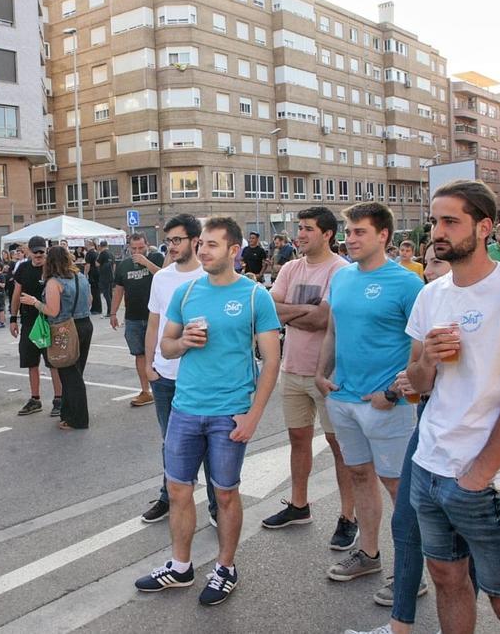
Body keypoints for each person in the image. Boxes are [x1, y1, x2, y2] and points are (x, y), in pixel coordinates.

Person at [405, 179, 500, 634]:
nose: (438, 232)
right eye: (434, 221)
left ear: (484, 227)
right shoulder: (431, 294)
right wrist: (427, 356)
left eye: (450, 221)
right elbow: (416, 385)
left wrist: (479, 475)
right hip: (430, 468)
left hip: (487, 484)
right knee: (447, 581)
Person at [134, 217, 281, 606]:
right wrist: (182, 342)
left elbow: (271, 360)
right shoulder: (187, 292)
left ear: (234, 250)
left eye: (213, 245)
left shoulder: (254, 296)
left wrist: (253, 416)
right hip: (185, 407)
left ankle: (225, 568)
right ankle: (180, 567)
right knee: (178, 489)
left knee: (226, 494)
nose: (203, 251)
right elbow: (165, 347)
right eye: (203, 244)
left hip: (228, 411)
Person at [344, 241, 456, 634]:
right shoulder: (430, 299)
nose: (431, 270)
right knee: (408, 524)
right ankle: (399, 627)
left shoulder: (498, 296)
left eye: (438, 262)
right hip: (428, 423)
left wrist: (392, 394)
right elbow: (418, 378)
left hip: (470, 449)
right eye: (428, 263)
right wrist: (402, 385)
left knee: (464, 563)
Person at [315, 202, 423, 593]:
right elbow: (333, 331)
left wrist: (393, 392)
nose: (350, 238)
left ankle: (411, 574)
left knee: (398, 487)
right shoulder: (342, 278)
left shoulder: (408, 283)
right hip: (342, 398)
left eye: (360, 231)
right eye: (349, 231)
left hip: (384, 404)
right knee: (360, 476)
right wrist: (320, 373)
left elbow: (422, 348)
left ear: (384, 236)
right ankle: (369, 555)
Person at [263, 207, 358, 550]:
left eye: (307, 229)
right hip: (292, 369)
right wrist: (306, 310)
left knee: (340, 449)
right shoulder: (291, 267)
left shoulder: (342, 271)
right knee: (298, 441)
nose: (299, 234)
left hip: (329, 375)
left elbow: (325, 320)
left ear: (328, 234)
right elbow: (268, 309)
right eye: (298, 228)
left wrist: (293, 312)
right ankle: (299, 505)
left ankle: (349, 517)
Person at [140, 214, 214, 525]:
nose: (171, 246)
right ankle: (169, 496)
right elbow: (153, 324)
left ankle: (216, 503)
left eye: (177, 240)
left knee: (211, 442)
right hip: (165, 376)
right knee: (169, 442)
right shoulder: (162, 278)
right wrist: (149, 365)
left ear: (195, 241)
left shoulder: (210, 277)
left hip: (200, 377)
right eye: (168, 240)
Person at [18, 246, 94, 430]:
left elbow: (52, 311)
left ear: (50, 262)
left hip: (65, 328)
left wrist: (35, 302)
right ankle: (67, 414)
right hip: (84, 324)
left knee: (70, 376)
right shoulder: (81, 277)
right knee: (76, 372)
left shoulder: (54, 282)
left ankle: (78, 419)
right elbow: (90, 300)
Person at [10, 236, 64, 417]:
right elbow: (16, 294)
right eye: (36, 251)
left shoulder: (52, 268)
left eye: (42, 251)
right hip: (28, 321)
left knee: (53, 362)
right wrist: (12, 318)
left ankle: (59, 399)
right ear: (28, 251)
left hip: (49, 321)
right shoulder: (23, 268)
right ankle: (35, 398)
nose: (39, 255)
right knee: (30, 362)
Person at [110, 234, 166, 407]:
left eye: (140, 248)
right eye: (133, 248)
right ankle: (145, 391)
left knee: (160, 354)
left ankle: (163, 389)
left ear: (147, 245)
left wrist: (146, 262)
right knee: (139, 354)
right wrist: (113, 313)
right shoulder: (123, 265)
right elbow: (118, 290)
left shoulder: (157, 257)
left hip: (155, 316)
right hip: (133, 316)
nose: (137, 251)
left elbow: (165, 277)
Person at [97, 241, 116, 319]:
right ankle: (112, 311)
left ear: (101, 246)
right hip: (111, 276)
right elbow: (114, 265)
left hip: (104, 277)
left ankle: (109, 312)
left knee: (106, 294)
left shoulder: (102, 253)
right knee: (110, 294)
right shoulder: (111, 253)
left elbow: (97, 264)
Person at [84, 239, 102, 315]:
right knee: (96, 291)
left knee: (94, 292)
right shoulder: (96, 252)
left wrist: (85, 274)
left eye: (86, 244)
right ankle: (98, 308)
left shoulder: (89, 253)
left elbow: (88, 265)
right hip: (97, 273)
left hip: (92, 274)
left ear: (89, 245)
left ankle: (96, 308)